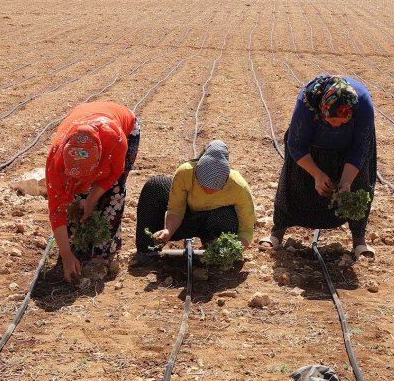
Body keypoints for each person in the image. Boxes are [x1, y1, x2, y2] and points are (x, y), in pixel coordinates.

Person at [260, 74, 377, 259]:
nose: (336, 125)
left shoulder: (362, 105)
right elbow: (296, 144)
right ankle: (277, 233)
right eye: (332, 119)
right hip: (310, 147)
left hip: (347, 149)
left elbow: (360, 148)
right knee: (292, 183)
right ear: (323, 108)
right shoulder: (308, 101)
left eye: (342, 121)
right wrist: (316, 174)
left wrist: (346, 182)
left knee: (358, 186)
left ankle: (359, 241)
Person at [45, 101, 140, 283]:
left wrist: (91, 200)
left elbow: (113, 174)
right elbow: (57, 209)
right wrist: (66, 255)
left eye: (84, 178)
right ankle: (76, 245)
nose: (79, 183)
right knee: (75, 199)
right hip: (82, 117)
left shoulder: (115, 142)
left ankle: (103, 252)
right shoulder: (55, 161)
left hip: (124, 127)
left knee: (114, 192)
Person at [135, 140, 256, 260]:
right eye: (203, 185)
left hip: (212, 224)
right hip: (183, 219)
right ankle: (147, 251)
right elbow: (176, 208)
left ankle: (215, 252)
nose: (208, 191)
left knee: (228, 216)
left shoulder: (238, 186)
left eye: (214, 189)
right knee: (155, 185)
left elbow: (246, 229)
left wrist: (234, 249)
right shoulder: (186, 172)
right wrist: (168, 230)